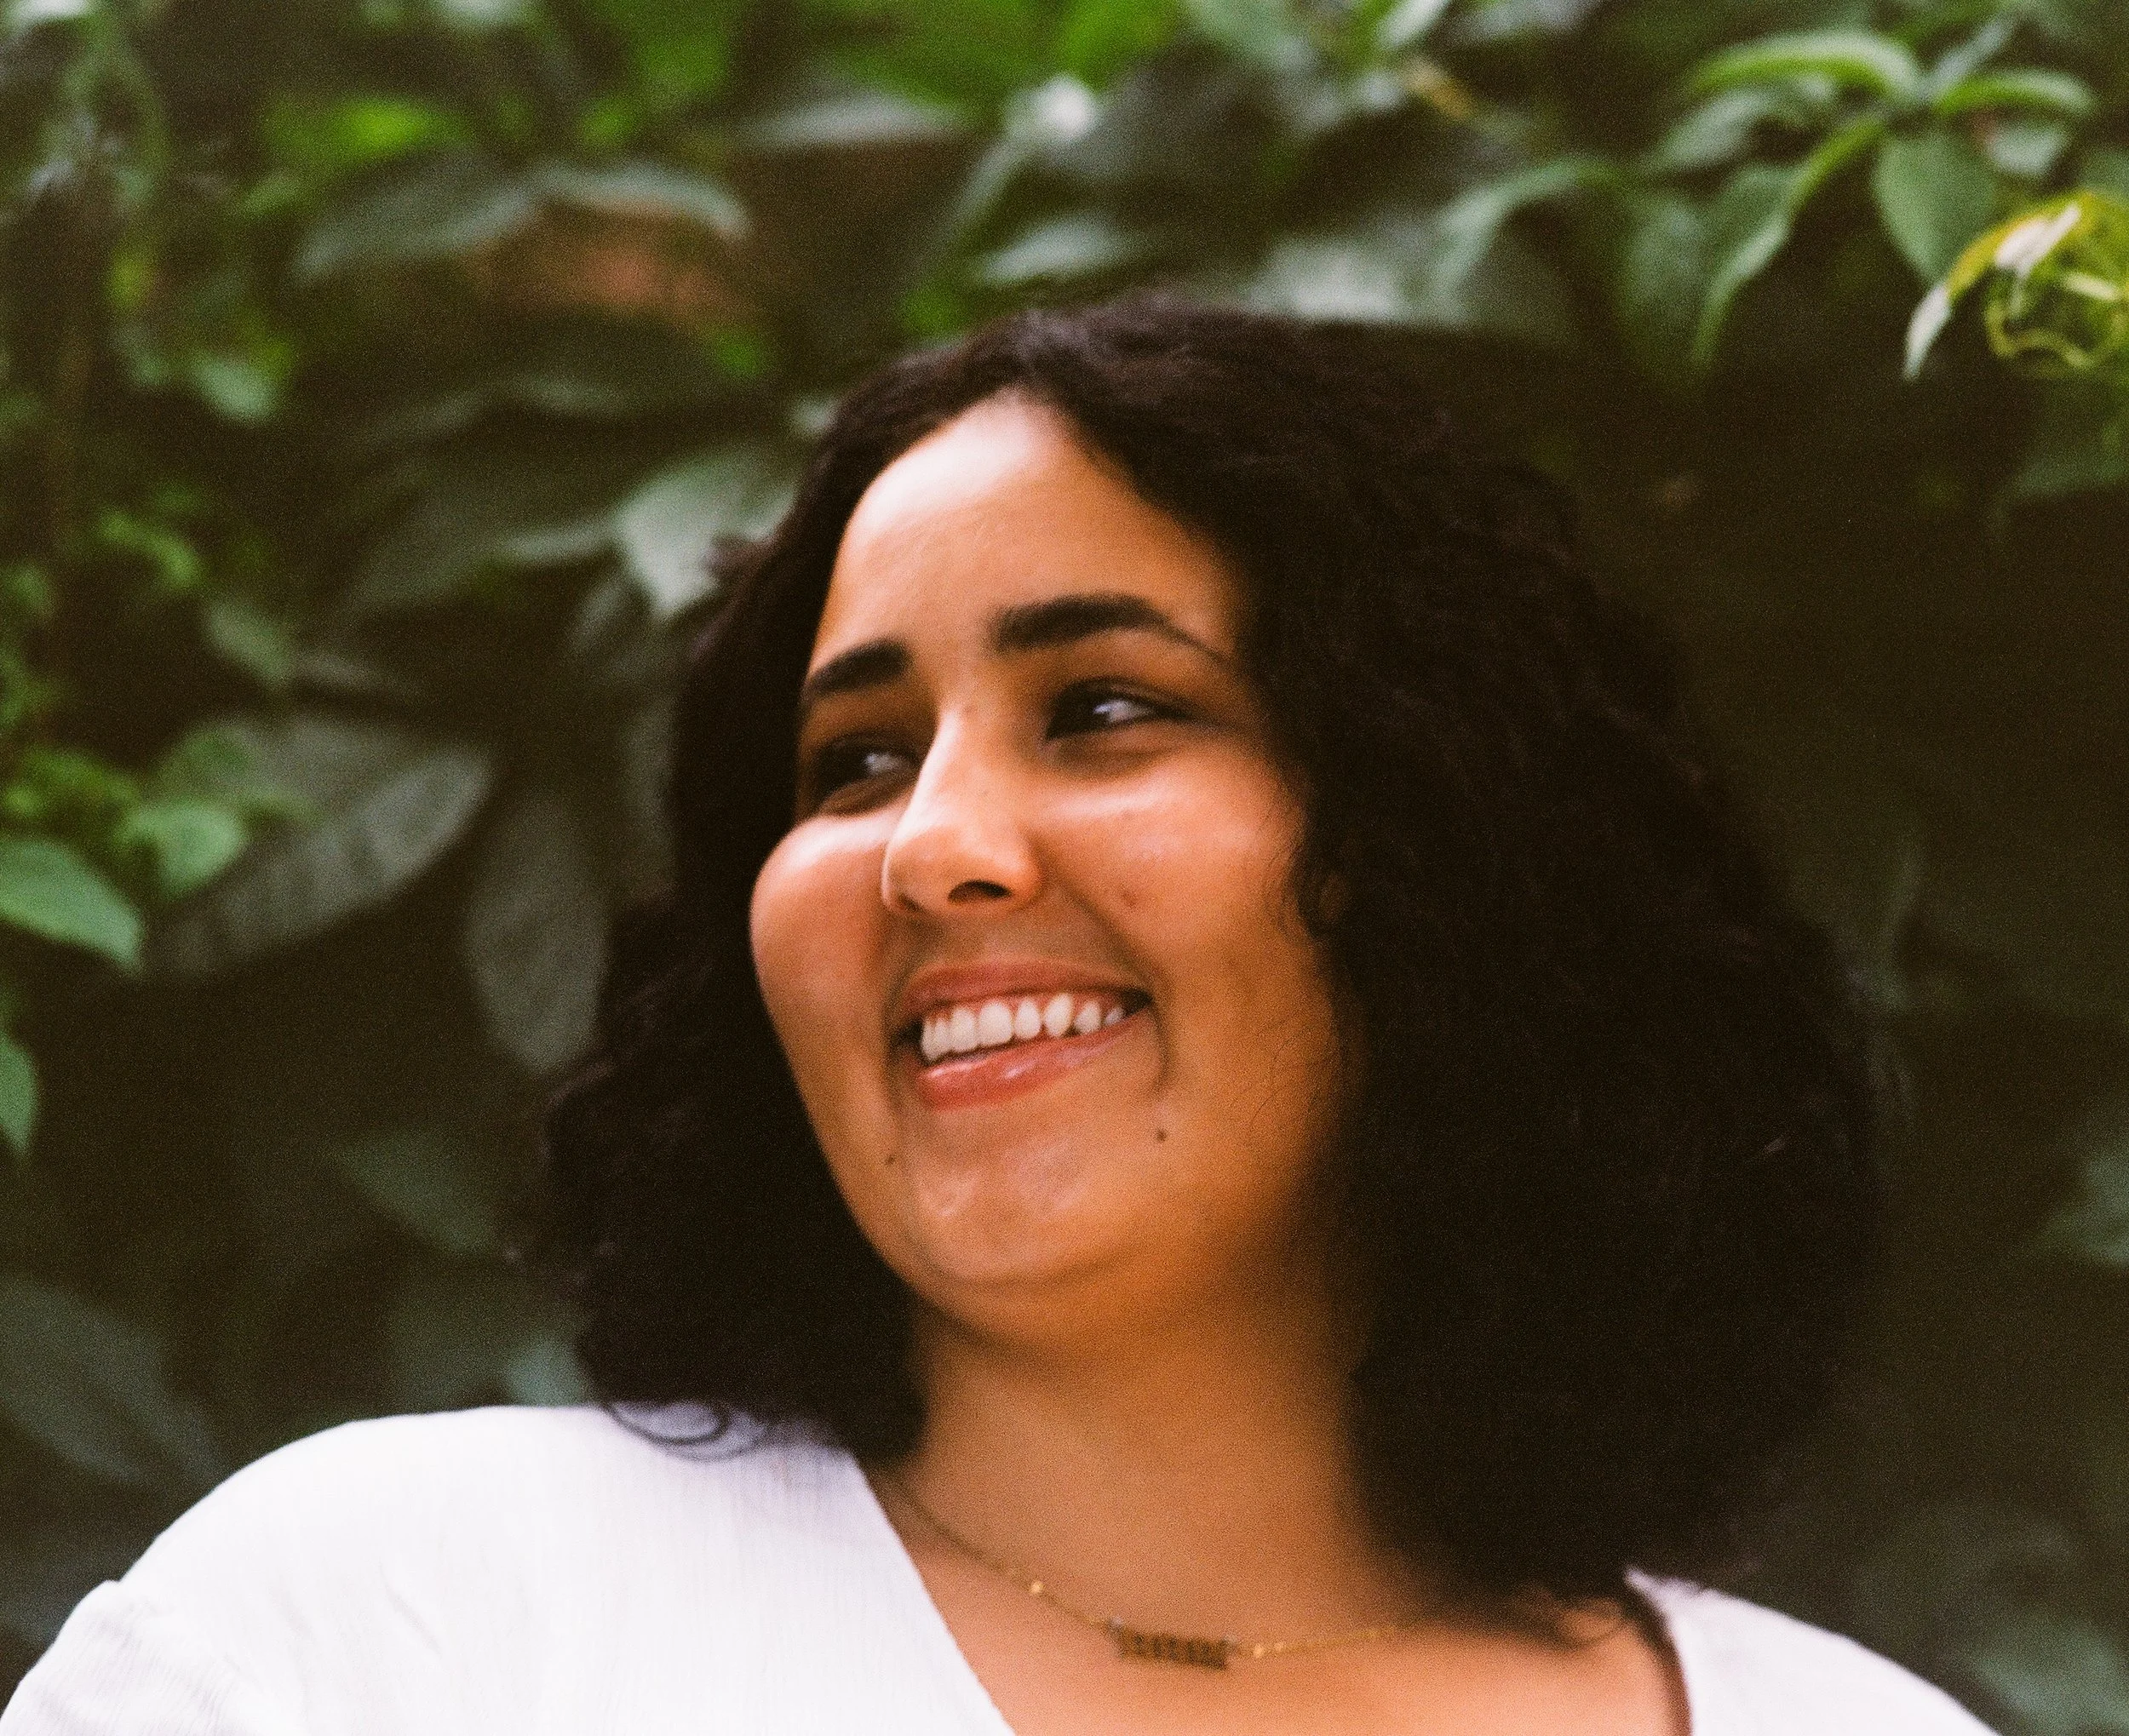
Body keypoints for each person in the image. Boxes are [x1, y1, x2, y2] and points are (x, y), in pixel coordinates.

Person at [3, 300, 1995, 1734]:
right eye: (852, 758)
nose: (927, 844)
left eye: (1106, 707)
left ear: (1445, 841)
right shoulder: (399, 1627)